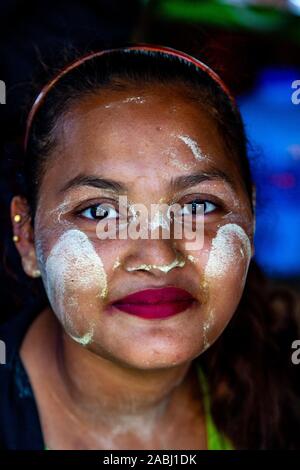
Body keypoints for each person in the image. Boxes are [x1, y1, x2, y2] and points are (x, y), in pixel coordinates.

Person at [0, 45, 299, 450]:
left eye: (198, 206)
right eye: (100, 212)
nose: (159, 258)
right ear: (27, 237)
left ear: (251, 214)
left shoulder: (286, 392)